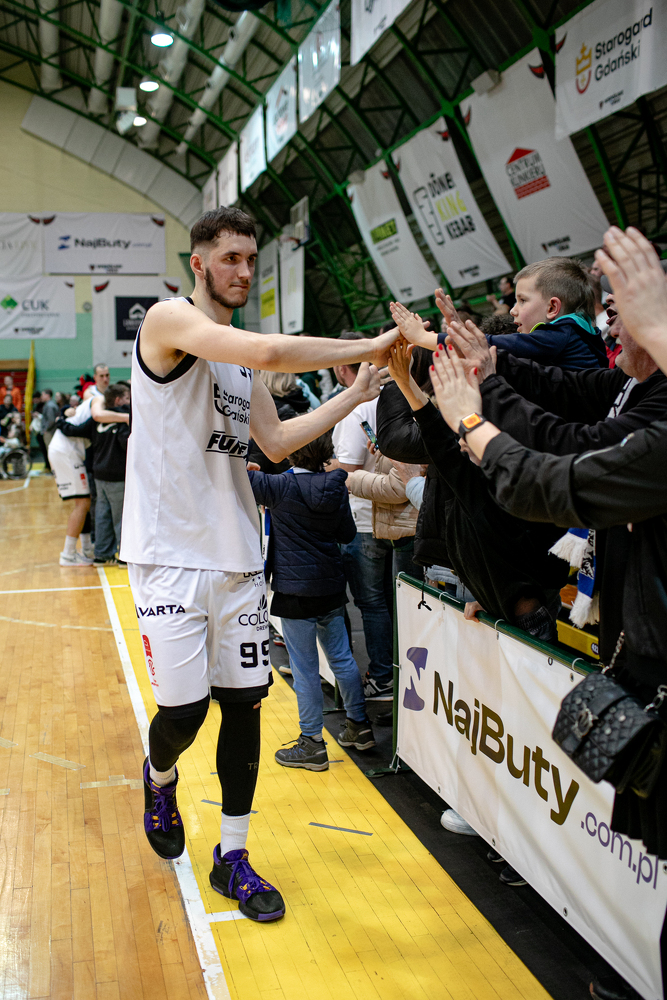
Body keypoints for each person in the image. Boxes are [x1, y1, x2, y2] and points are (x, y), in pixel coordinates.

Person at [119, 206, 399, 923]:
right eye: (231, 258)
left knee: (244, 706)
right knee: (183, 712)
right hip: (169, 557)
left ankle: (233, 856)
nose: (244, 271)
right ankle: (158, 775)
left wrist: (353, 394)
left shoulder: (240, 366)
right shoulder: (168, 321)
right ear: (199, 263)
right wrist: (370, 342)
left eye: (250, 258)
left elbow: (274, 444)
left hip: (239, 555)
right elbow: (271, 351)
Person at [247, 431, 375, 771]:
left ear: (290, 452)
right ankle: (359, 726)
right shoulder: (336, 484)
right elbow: (347, 533)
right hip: (330, 586)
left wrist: (250, 466)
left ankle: (312, 743)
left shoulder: (278, 486)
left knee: (304, 670)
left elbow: (234, 475)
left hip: (294, 592)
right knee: (342, 659)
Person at [330, 332, 394, 702]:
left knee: (371, 605)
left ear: (343, 369)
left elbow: (348, 469)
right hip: (393, 517)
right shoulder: (391, 397)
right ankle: (393, 673)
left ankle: (383, 677)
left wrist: (319, 466)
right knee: (387, 601)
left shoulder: (356, 408)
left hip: (364, 520)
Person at [401, 259, 608, 370]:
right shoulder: (577, 334)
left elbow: (488, 345)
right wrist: (460, 331)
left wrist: (421, 337)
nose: (512, 310)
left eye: (522, 300)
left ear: (552, 308)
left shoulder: (559, 336)